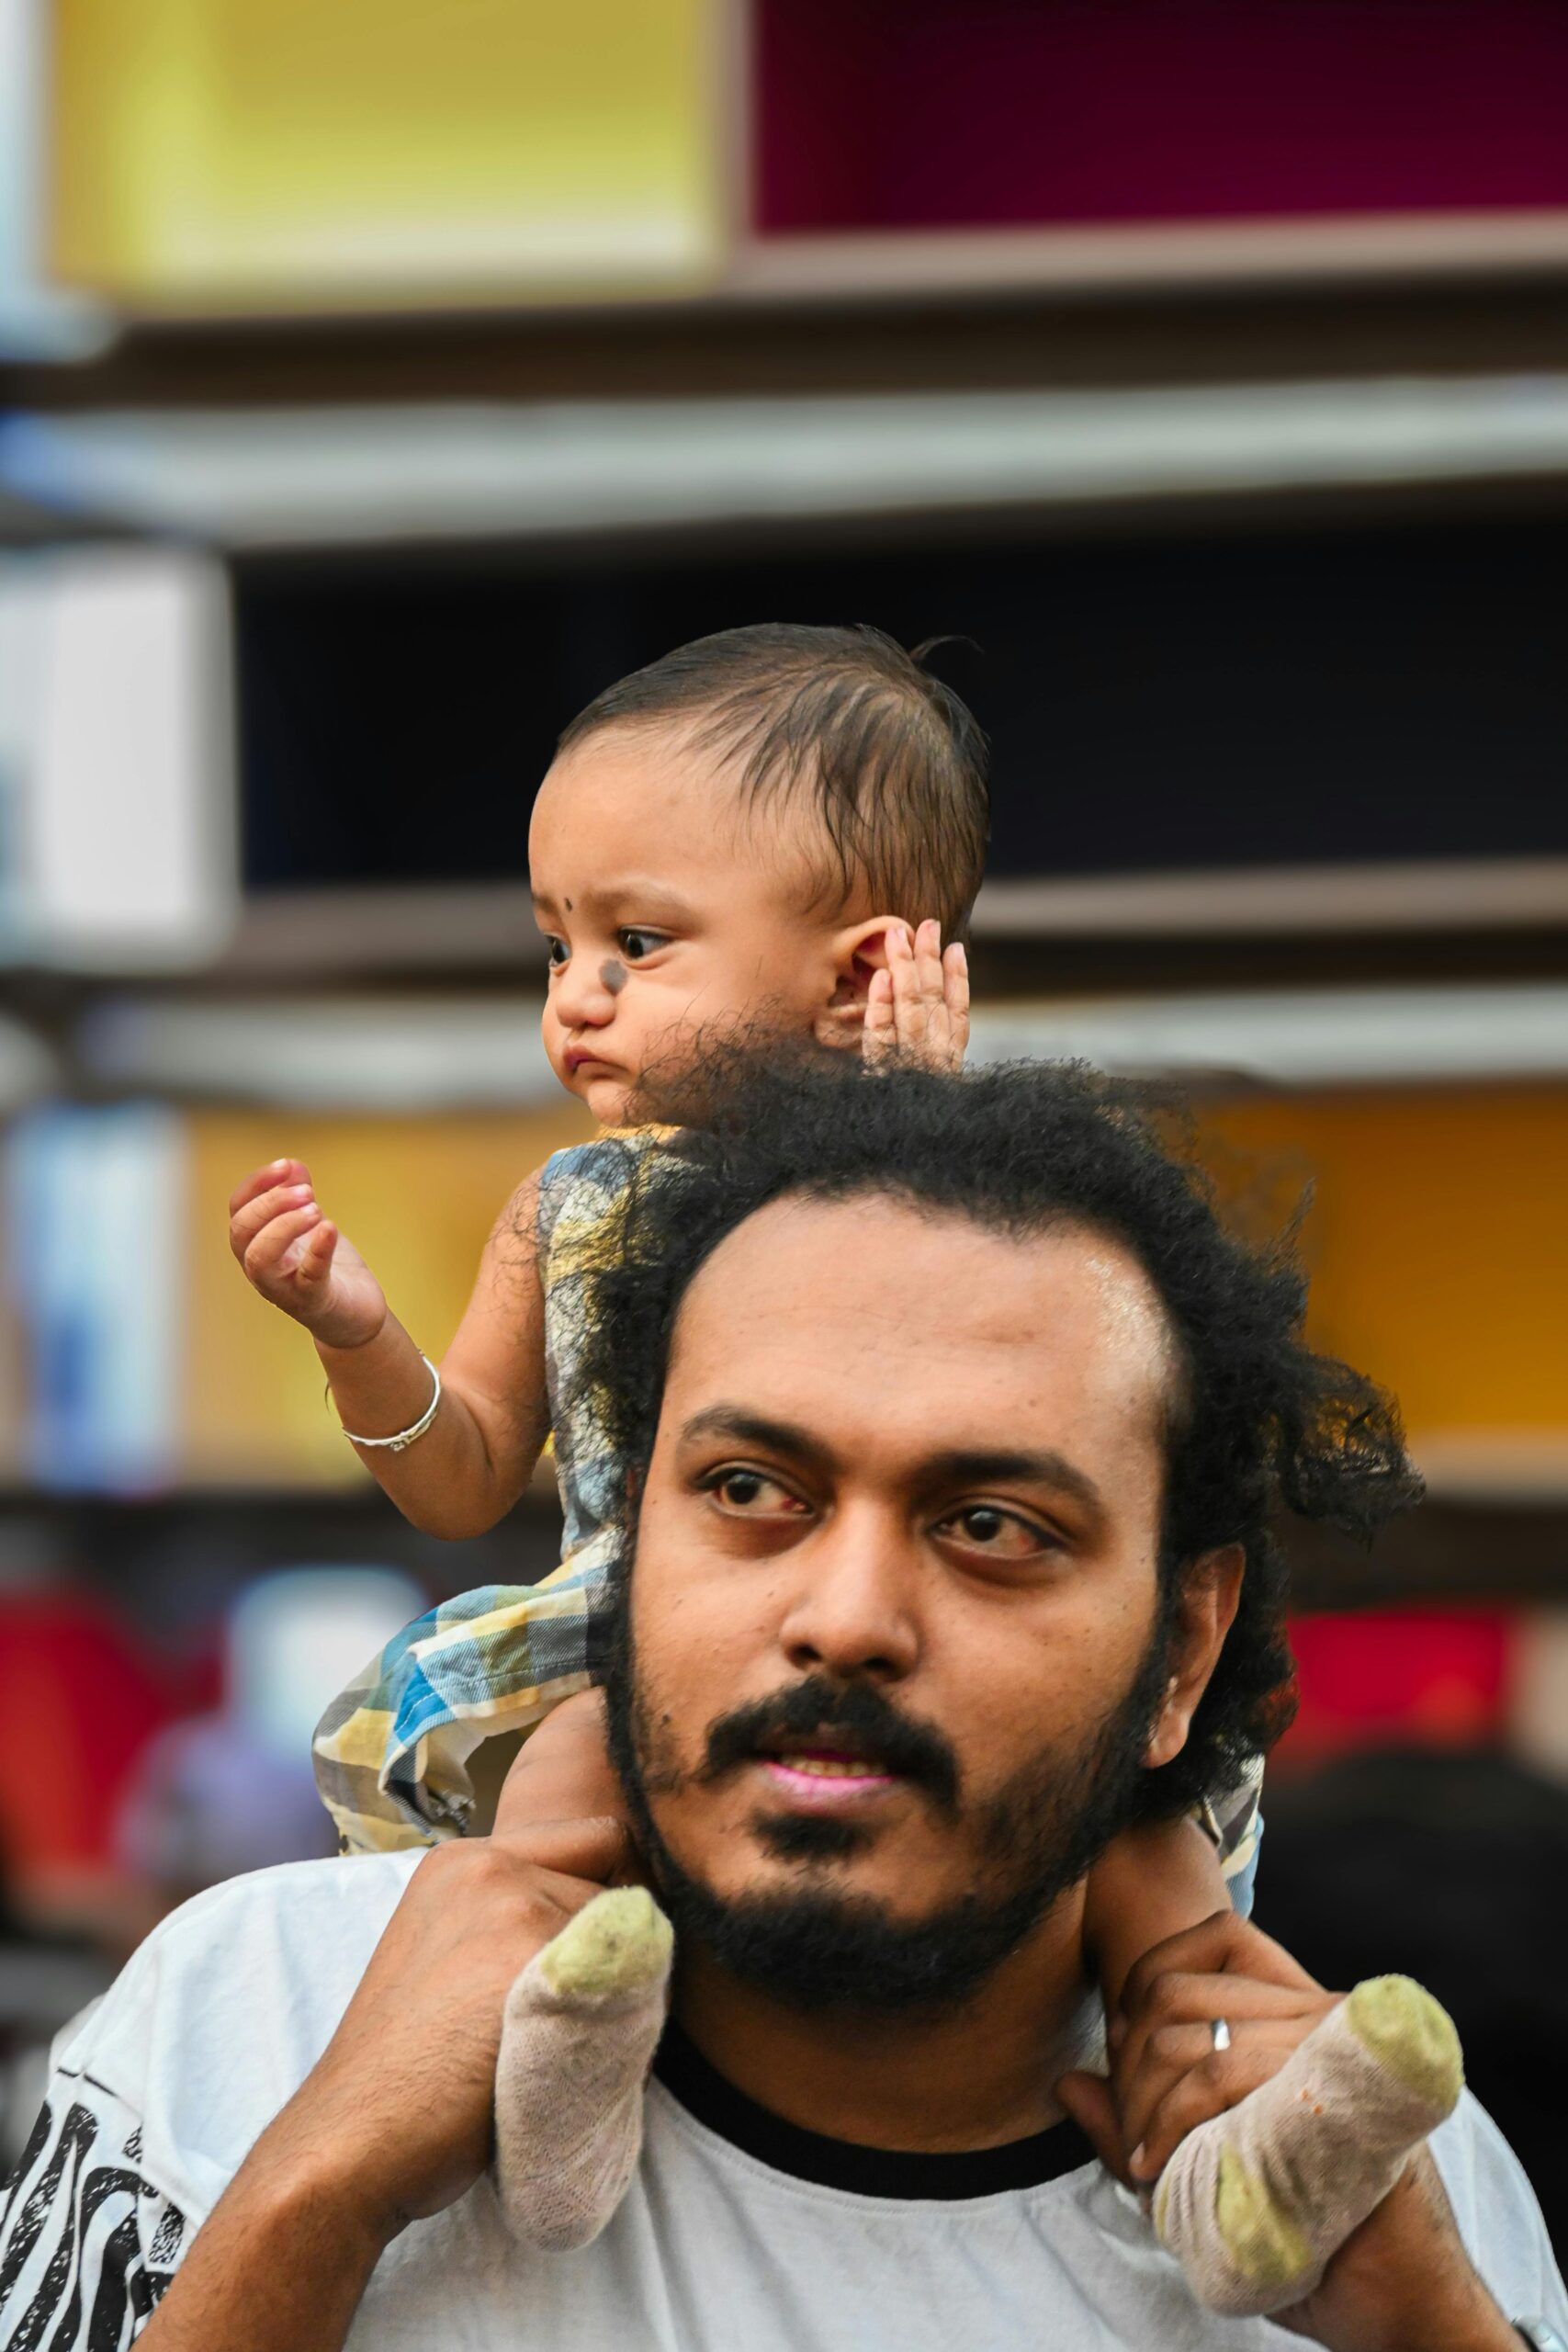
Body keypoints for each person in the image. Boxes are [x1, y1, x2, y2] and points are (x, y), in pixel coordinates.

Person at [6, 1059, 1562, 2349]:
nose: (845, 1621)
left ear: (1180, 1654)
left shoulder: (1383, 2213)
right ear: (627, 1550)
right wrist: (311, 2196)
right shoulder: (260, 2016)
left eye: (991, 1527)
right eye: (750, 1490)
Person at [224, 626, 1266, 2256]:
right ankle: (549, 2069)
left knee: (1138, 1842)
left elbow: (940, 1400)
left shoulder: (951, 1188)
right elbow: (459, 1478)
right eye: (554, 946)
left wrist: (910, 1133)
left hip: (897, 1675)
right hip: (636, 1637)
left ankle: (1240, 2118)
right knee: (573, 1786)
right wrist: (358, 1337)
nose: (577, 999)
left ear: (858, 974)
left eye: (638, 944)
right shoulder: (568, 1208)